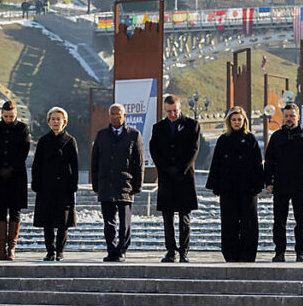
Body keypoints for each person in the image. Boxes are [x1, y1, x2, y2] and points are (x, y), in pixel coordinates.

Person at [205, 107, 264, 262]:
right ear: (229, 122)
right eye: (233, 120)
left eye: (239, 119)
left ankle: (247, 255)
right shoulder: (223, 140)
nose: (236, 122)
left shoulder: (250, 139)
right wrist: (215, 185)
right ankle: (230, 254)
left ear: (244, 121)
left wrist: (258, 185)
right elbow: (216, 164)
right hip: (228, 189)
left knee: (249, 223)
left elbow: (258, 163)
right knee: (229, 223)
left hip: (248, 189)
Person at [265, 103, 303, 262]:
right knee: (279, 221)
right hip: (280, 184)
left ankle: (300, 251)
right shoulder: (276, 137)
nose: (289, 119)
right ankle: (279, 252)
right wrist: (268, 182)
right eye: (286, 116)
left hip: (300, 185)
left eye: (292, 116)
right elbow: (269, 162)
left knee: (301, 220)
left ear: (298, 117)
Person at [150, 95, 201, 263]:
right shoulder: (158, 128)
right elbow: (154, 150)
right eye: (168, 111)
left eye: (175, 111)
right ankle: (170, 251)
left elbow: (193, 150)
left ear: (180, 108)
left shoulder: (192, 125)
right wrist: (165, 168)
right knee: (167, 217)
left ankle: (184, 251)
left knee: (184, 217)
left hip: (184, 177)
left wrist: (179, 169)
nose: (172, 114)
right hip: (166, 178)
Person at [91, 103, 144, 263]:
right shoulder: (101, 135)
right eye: (113, 114)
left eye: (118, 114)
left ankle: (122, 250)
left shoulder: (134, 135)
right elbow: (95, 162)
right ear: (109, 116)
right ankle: (111, 250)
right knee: (109, 223)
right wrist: (96, 184)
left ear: (124, 116)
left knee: (125, 222)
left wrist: (137, 185)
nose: (115, 117)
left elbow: (138, 163)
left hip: (125, 185)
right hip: (106, 185)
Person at [0, 100, 31, 261]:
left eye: (11, 116)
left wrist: (12, 168)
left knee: (15, 211)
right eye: (6, 116)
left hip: (16, 176)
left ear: (16, 114)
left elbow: (24, 151)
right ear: (1, 114)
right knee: (0, 211)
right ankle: (1, 249)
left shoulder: (23, 128)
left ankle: (11, 249)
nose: (9, 119)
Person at [33, 106, 79, 261]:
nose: (55, 122)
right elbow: (37, 164)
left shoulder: (70, 140)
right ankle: (50, 251)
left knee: (62, 221)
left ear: (64, 122)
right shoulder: (43, 141)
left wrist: (73, 184)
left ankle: (60, 251)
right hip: (46, 186)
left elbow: (75, 165)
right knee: (47, 220)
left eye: (58, 119)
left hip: (64, 187)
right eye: (53, 119)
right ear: (48, 121)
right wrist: (36, 182)